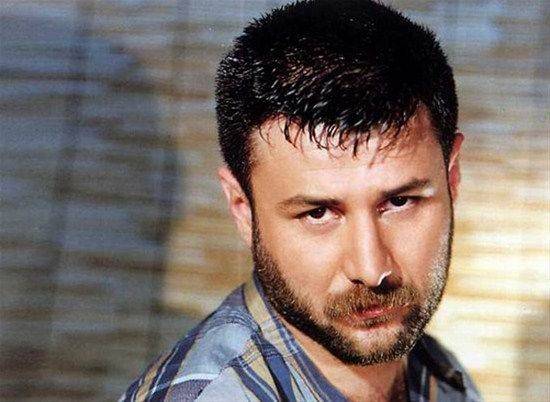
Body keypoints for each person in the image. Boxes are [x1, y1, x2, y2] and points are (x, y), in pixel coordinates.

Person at [121, 1, 483, 401]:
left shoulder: (438, 373)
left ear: (452, 178)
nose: (371, 270)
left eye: (400, 202)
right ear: (243, 209)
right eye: (318, 213)